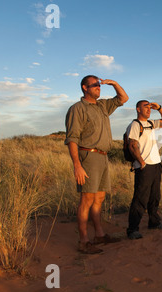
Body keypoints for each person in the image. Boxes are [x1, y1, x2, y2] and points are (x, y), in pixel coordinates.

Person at [65, 75, 129, 254]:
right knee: (86, 199)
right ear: (85, 88)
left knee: (99, 198)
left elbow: (123, 98)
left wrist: (114, 83)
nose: (98, 88)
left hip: (103, 157)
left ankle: (99, 235)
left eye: (99, 85)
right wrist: (77, 165)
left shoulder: (102, 106)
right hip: (88, 156)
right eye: (94, 85)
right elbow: (72, 138)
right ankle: (83, 241)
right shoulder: (77, 109)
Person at [126, 100, 162, 239]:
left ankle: (154, 222)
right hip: (144, 166)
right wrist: (142, 162)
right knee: (140, 198)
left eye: (149, 107)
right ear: (138, 109)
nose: (148, 109)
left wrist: (160, 108)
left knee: (155, 196)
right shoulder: (135, 124)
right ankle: (133, 229)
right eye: (145, 107)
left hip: (156, 164)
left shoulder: (151, 123)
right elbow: (132, 145)